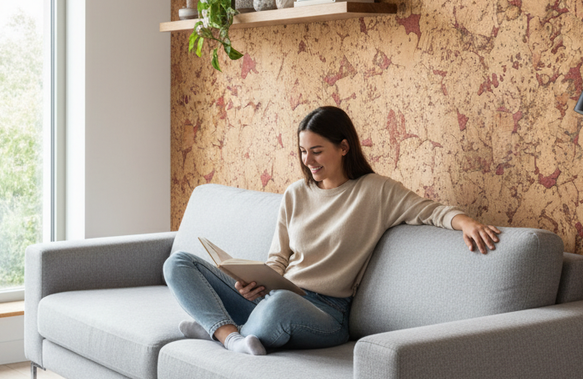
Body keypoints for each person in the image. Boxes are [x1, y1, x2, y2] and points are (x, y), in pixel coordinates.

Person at [163, 106, 500, 356]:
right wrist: (256, 284)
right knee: (178, 263)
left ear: (343, 147)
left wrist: (466, 222)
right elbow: (278, 259)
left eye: (317, 150)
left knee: (280, 303)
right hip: (275, 294)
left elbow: (430, 211)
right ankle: (230, 336)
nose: (308, 160)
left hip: (326, 313)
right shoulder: (296, 193)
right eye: (302, 151)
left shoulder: (375, 191)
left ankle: (217, 329)